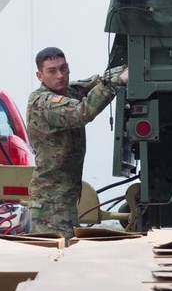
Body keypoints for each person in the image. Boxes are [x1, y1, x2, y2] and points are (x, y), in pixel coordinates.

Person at [26, 47, 128, 239]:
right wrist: (119, 81)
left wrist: (124, 69)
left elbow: (96, 82)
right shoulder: (43, 102)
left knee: (67, 253)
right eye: (52, 71)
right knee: (57, 256)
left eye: (63, 68)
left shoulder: (69, 91)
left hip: (64, 197)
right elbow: (82, 112)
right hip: (51, 203)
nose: (60, 75)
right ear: (40, 76)